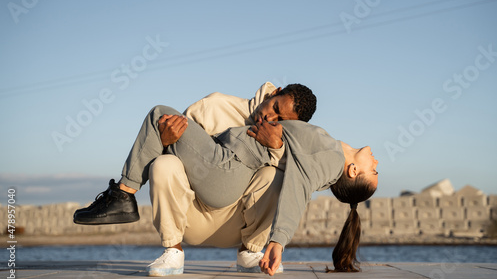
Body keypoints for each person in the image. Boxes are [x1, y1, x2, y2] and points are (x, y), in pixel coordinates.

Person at [149, 106, 378, 275]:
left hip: (232, 216)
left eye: (374, 172)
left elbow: (298, 187)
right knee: (164, 165)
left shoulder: (333, 161)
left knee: (274, 177)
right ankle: (173, 251)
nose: (376, 164)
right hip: (191, 216)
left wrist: (278, 241)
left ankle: (250, 252)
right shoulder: (327, 148)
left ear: (354, 170)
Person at [73, 82, 316, 225]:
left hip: (237, 219)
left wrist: (277, 147)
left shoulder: (284, 141)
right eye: (274, 108)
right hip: (193, 211)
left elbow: (299, 177)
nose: (269, 118)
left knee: (159, 112)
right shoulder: (217, 106)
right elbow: (182, 151)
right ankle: (171, 249)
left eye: (280, 120)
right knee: (165, 128)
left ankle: (123, 196)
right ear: (276, 92)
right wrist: (167, 143)